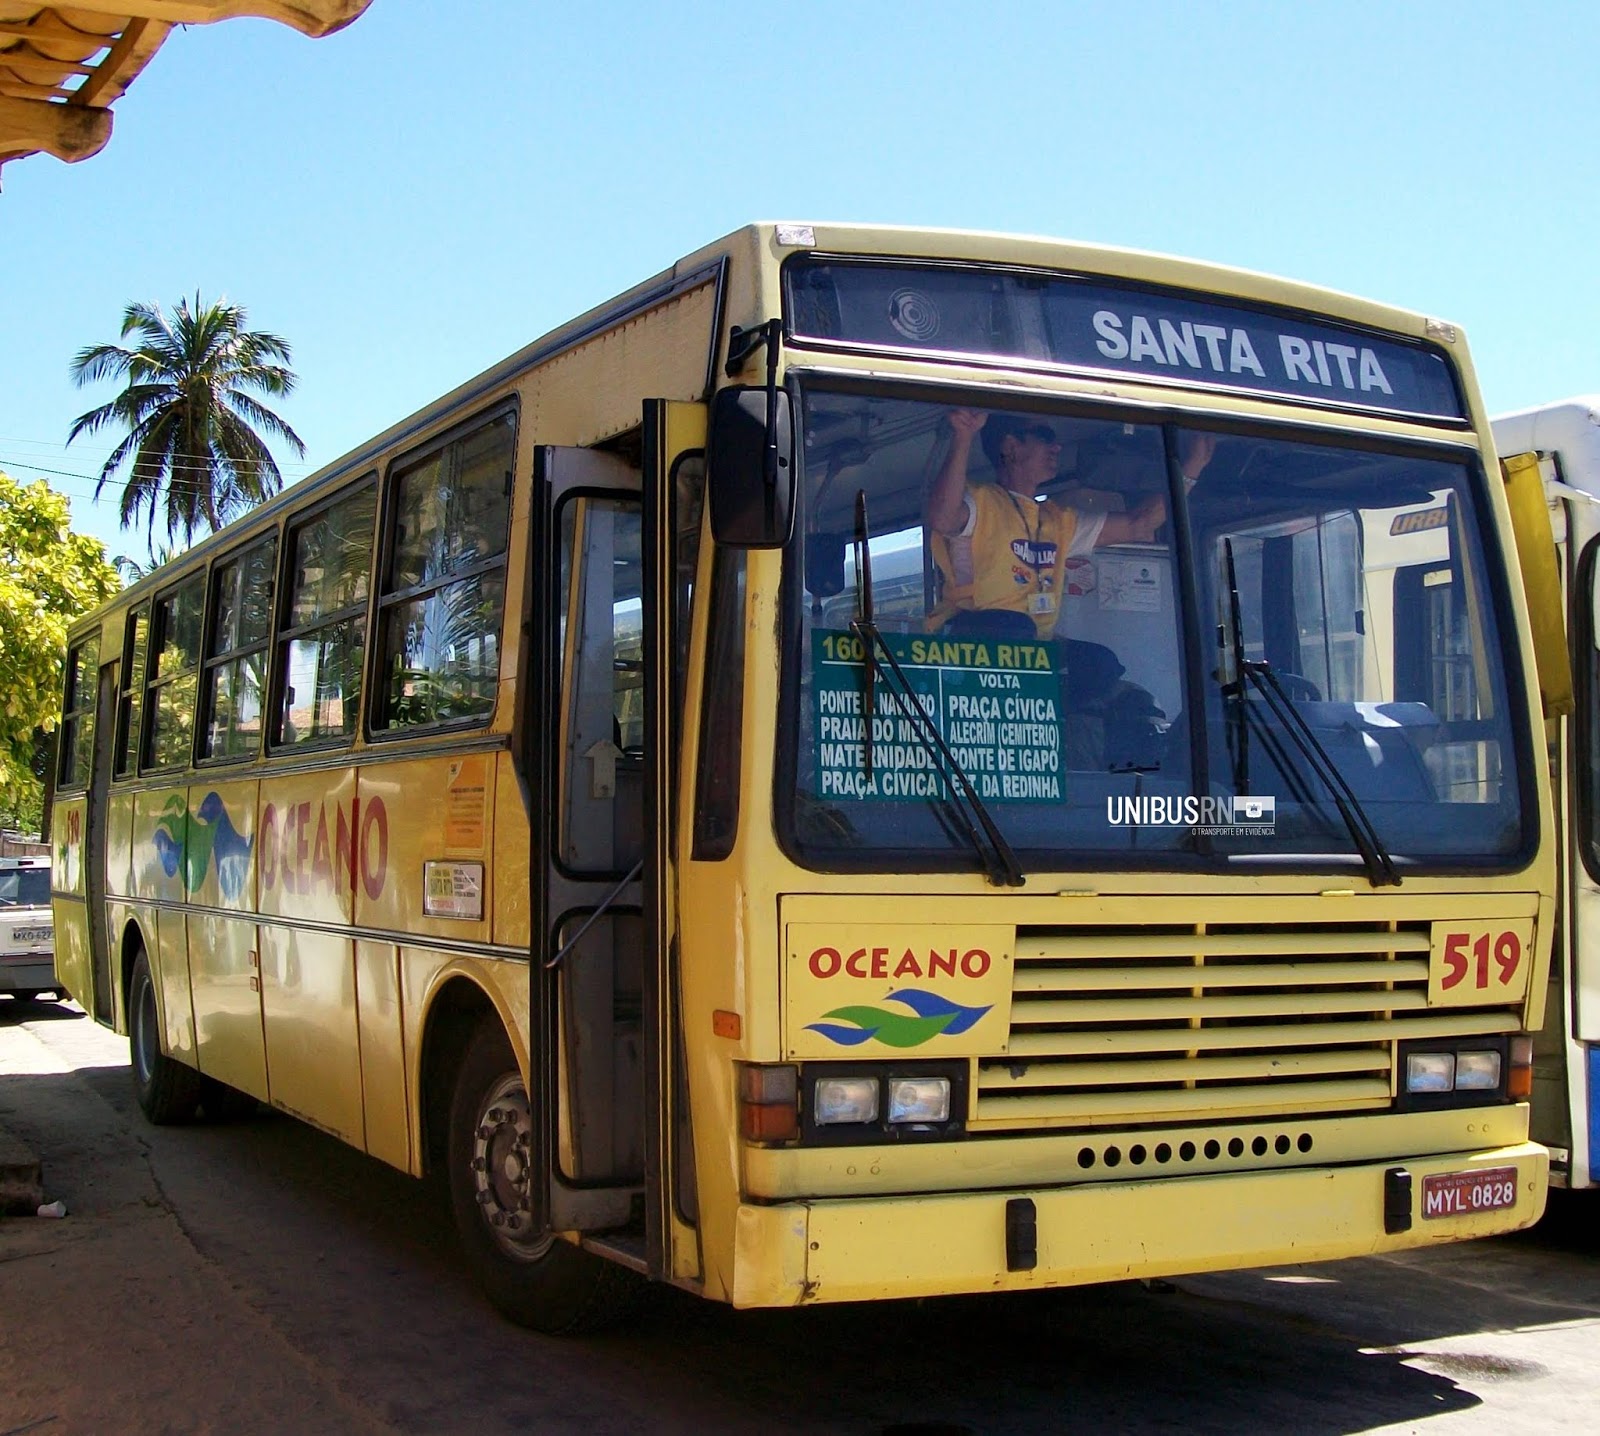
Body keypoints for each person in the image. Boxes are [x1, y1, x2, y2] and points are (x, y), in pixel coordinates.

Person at [925, 409, 1166, 639]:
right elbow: (943, 518)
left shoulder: (1058, 520)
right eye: (1046, 436)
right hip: (978, 642)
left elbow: (1139, 524)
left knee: (1100, 663)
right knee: (1012, 626)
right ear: (1011, 447)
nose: (1057, 447)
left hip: (1036, 647)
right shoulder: (979, 502)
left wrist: (1195, 464)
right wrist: (963, 437)